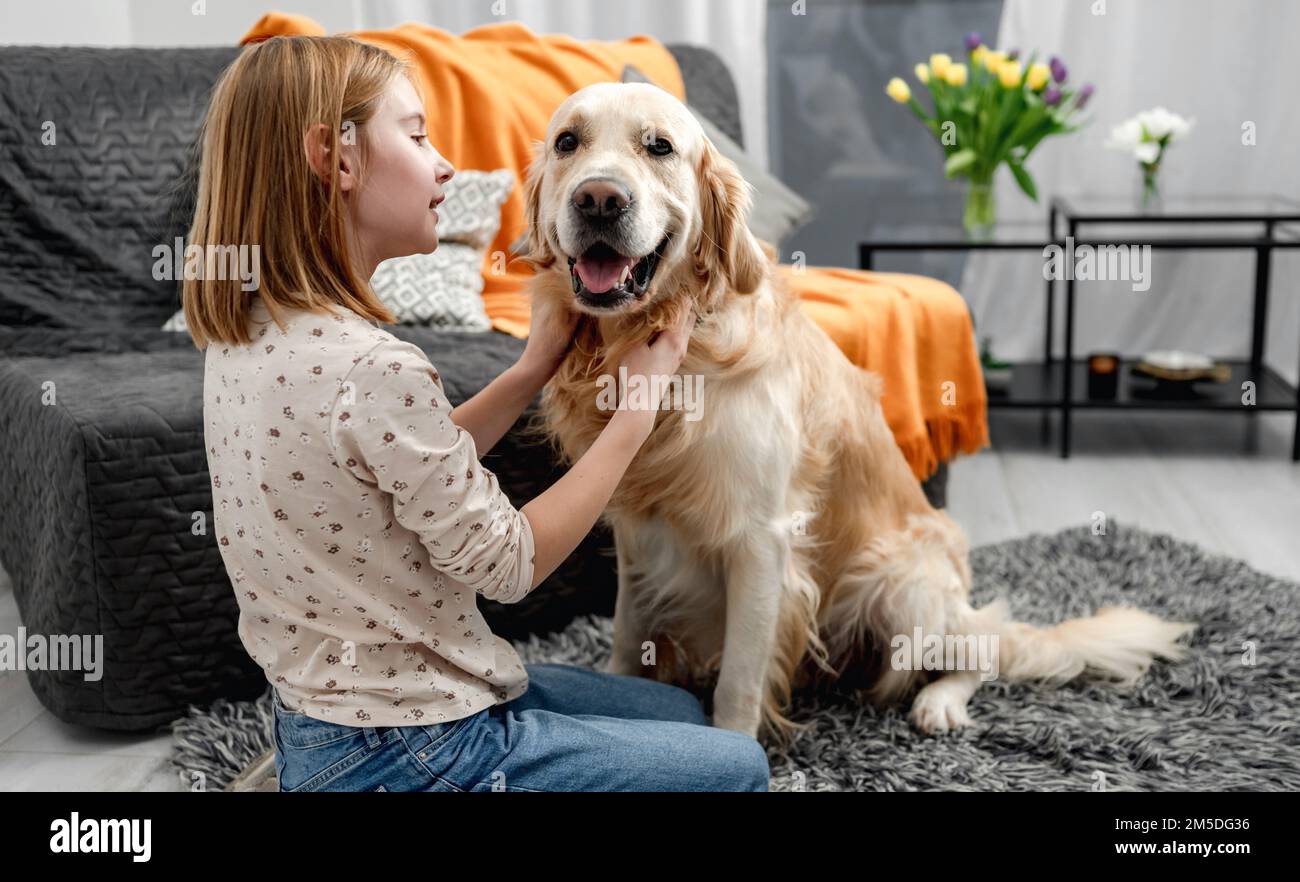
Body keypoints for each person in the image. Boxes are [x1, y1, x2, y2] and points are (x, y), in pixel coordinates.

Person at [182, 34, 769, 792]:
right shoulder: (378, 369)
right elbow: (509, 564)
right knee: (738, 767)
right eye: (419, 134)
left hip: (326, 720)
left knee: (673, 712)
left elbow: (393, 473)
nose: (447, 165)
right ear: (338, 158)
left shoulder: (247, 339)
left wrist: (531, 369)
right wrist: (635, 412)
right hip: (423, 748)